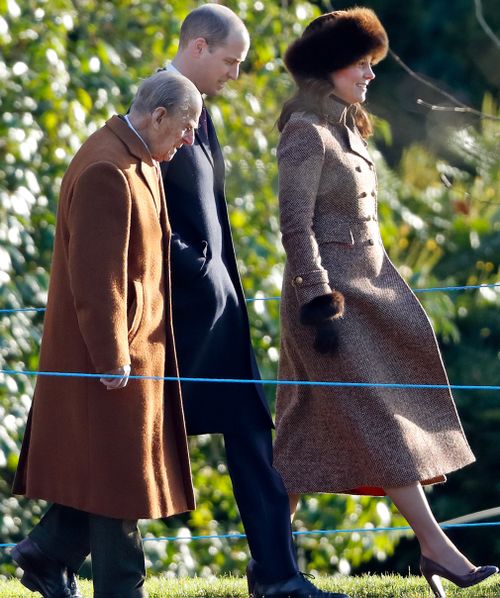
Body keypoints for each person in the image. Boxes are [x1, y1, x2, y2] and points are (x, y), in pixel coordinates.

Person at [273, 7, 498, 598]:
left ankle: (269, 565)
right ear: (328, 68)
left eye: (372, 63)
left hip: (367, 299)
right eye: (360, 63)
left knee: (299, 445)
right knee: (384, 428)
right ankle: (437, 548)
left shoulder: (347, 126)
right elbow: (295, 227)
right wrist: (319, 297)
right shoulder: (305, 130)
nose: (371, 74)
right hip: (327, 306)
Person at [159, 4, 349, 598]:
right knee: (145, 435)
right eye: (230, 61)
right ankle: (50, 544)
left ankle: (277, 574)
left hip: (219, 313)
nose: (235, 75)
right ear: (197, 47)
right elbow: (142, 207)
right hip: (179, 318)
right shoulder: (155, 107)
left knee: (248, 433)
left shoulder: (201, 111)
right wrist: (193, 266)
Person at [11, 71, 202, 598]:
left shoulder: (140, 156)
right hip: (110, 355)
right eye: (185, 128)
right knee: (121, 482)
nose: (189, 141)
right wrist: (111, 356)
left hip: (136, 349)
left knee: (108, 471)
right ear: (158, 116)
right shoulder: (106, 167)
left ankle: (44, 554)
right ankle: (122, 589)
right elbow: (98, 279)